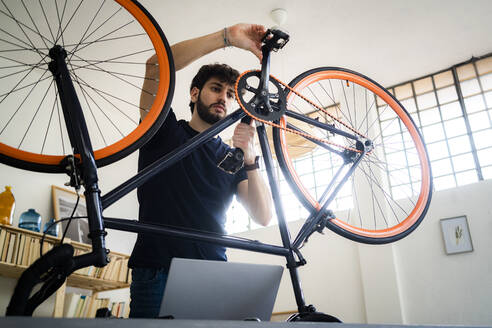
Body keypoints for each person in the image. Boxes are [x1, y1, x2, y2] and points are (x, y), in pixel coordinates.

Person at [128, 24, 273, 318]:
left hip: (213, 277)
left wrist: (250, 158)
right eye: (216, 88)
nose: (224, 98)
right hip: (157, 272)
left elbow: (263, 215)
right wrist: (227, 37)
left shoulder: (232, 158)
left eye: (231, 94)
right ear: (195, 93)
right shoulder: (164, 131)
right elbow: (155, 65)